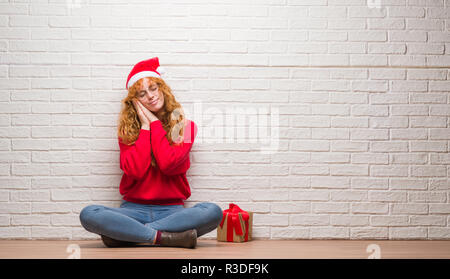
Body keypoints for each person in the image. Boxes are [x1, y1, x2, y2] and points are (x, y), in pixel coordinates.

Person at [79, 57, 223, 249]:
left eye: (153, 88)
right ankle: (165, 238)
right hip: (132, 210)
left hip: (173, 213)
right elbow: (136, 171)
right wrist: (145, 127)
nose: (150, 96)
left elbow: (168, 164)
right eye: (142, 94)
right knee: (89, 213)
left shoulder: (186, 128)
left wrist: (154, 123)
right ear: (135, 102)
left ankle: (129, 234)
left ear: (162, 88)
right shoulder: (127, 132)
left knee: (212, 211)